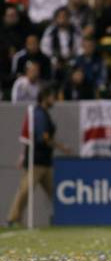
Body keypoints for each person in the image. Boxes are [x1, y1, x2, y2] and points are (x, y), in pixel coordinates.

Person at [7, 86, 71, 226]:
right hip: (36, 161)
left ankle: (66, 217)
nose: (53, 100)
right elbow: (44, 137)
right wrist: (62, 148)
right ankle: (12, 219)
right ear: (45, 97)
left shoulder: (44, 113)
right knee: (25, 189)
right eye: (52, 97)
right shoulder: (39, 114)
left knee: (55, 192)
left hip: (45, 162)